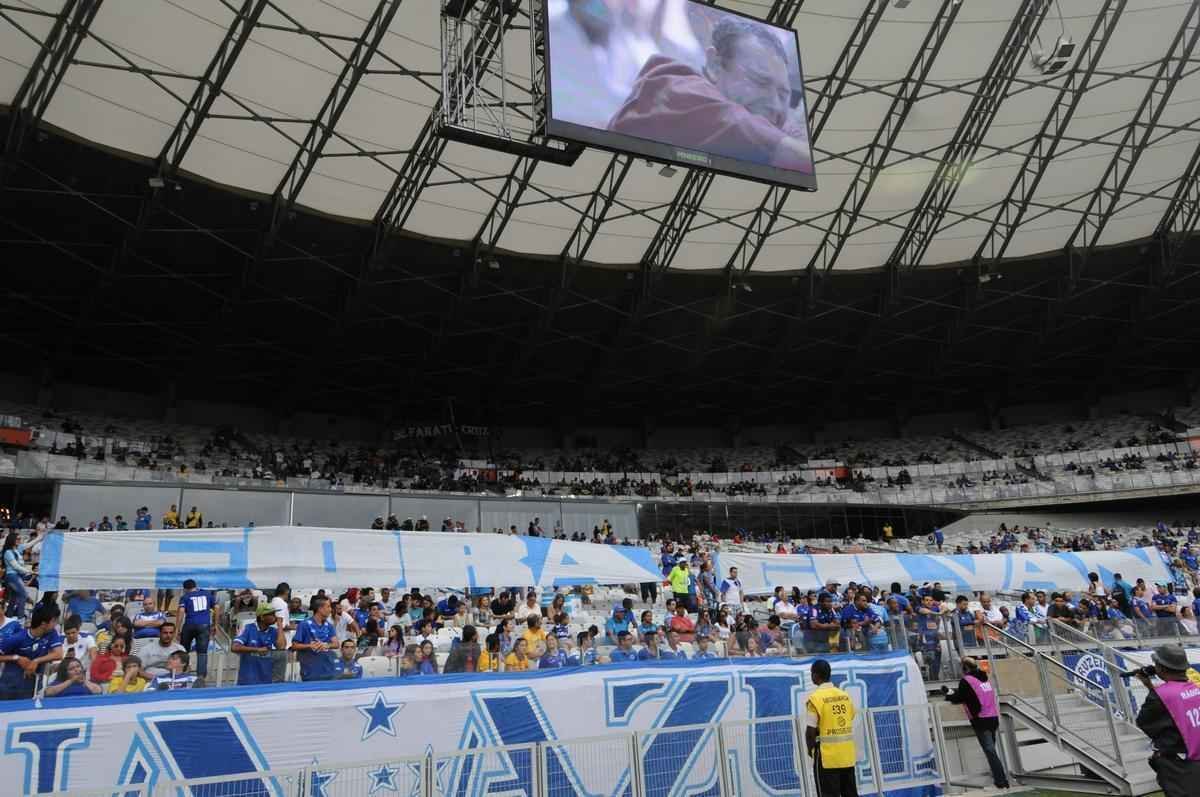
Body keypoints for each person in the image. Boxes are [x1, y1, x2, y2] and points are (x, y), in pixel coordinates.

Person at [607, 16, 810, 172]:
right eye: (759, 80)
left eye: (784, 95)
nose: (775, 105)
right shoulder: (677, 89)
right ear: (714, 65)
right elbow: (735, 122)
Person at [1135, 644, 1200, 795]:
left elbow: (1144, 722)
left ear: (1162, 668)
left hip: (1179, 767)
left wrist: (1152, 689)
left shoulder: (1159, 695)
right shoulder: (1195, 688)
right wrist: (1151, 687)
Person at [944, 657, 1009, 789]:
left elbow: (961, 697)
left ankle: (1001, 781)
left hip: (981, 720)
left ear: (965, 668)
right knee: (991, 751)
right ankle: (999, 778)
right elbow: (970, 694)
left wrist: (949, 695)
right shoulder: (984, 678)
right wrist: (953, 693)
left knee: (990, 751)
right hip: (992, 718)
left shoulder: (966, 680)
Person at [805, 659, 859, 797]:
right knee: (850, 794)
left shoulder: (815, 698)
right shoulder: (844, 696)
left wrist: (811, 750)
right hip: (847, 755)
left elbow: (810, 731)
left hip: (827, 758)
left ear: (816, 675)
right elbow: (850, 716)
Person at [0, 604, 63, 700]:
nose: (56, 624)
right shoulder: (17, 638)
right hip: (10, 687)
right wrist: (16, 658)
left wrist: (36, 661)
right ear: (43, 624)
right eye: (54, 621)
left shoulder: (51, 633)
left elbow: (58, 654)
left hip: (32, 687)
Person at [231, 604, 286, 686]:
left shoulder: (273, 631)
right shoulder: (248, 628)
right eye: (271, 614)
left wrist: (280, 625)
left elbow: (281, 647)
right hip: (248, 680)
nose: (275, 616)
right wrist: (257, 649)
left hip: (266, 680)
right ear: (262, 617)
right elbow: (234, 647)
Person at [176, 578, 218, 680]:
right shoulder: (207, 594)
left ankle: (183, 673)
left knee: (184, 650)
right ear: (196, 586)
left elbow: (181, 611)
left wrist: (177, 628)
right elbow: (217, 607)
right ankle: (201, 677)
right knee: (202, 652)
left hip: (189, 624)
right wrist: (215, 624)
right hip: (204, 625)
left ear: (185, 589)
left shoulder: (185, 597)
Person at [291, 596, 338, 681]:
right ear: (320, 609)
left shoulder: (329, 626)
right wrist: (310, 646)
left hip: (328, 670)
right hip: (310, 672)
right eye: (328, 606)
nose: (330, 609)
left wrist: (326, 645)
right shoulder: (304, 624)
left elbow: (336, 644)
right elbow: (294, 646)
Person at [3, 531, 34, 618]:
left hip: (16, 576)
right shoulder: (8, 552)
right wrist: (30, 571)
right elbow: (16, 566)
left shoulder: (18, 549)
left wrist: (41, 536)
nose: (19, 540)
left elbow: (30, 544)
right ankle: (20, 618)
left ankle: (8, 617)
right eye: (18, 538)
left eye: (20, 539)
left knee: (13, 598)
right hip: (12, 576)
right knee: (23, 595)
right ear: (12, 540)